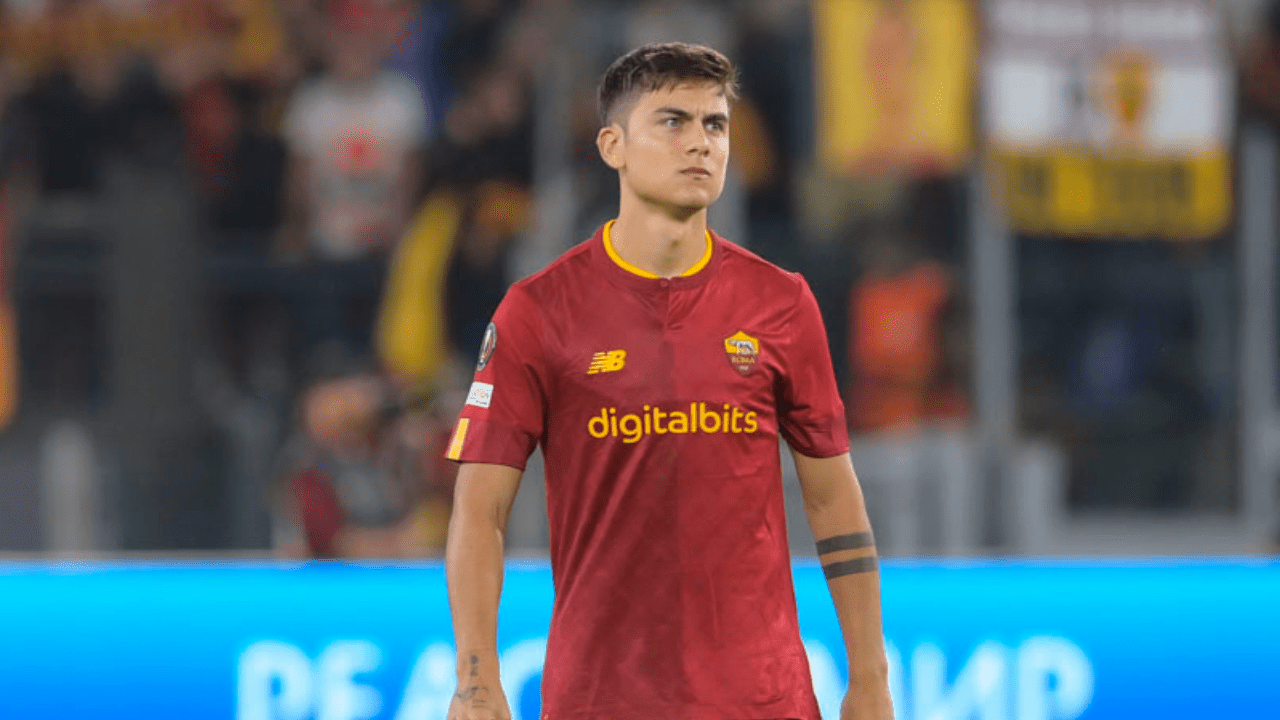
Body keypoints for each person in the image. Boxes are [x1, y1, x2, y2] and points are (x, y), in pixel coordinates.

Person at [444, 42, 893, 720]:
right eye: (673, 122)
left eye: (715, 124)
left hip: (763, 703)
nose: (701, 143)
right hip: (601, 702)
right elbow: (480, 512)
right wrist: (476, 679)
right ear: (613, 146)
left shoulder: (782, 303)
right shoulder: (538, 311)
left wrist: (870, 678)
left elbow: (833, 499)